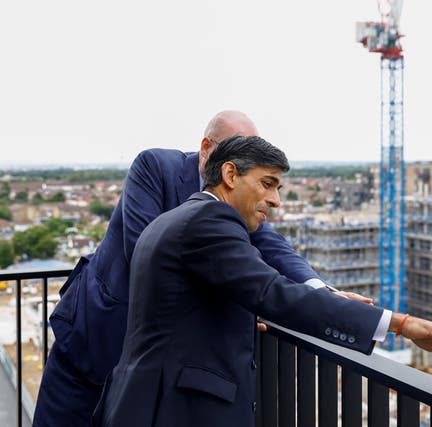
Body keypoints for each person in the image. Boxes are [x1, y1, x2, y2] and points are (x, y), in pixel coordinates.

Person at [92, 135, 432, 426]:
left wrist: (247, 317)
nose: (276, 200)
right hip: (177, 410)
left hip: (145, 402)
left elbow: (204, 300)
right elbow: (271, 292)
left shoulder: (178, 218)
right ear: (230, 174)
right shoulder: (210, 222)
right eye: (267, 183)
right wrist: (400, 324)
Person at [33, 111, 368, 426]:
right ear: (207, 148)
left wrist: (321, 291)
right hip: (94, 338)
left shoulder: (238, 199)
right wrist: (243, 305)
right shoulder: (155, 166)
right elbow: (144, 254)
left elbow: (273, 247)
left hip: (147, 371)